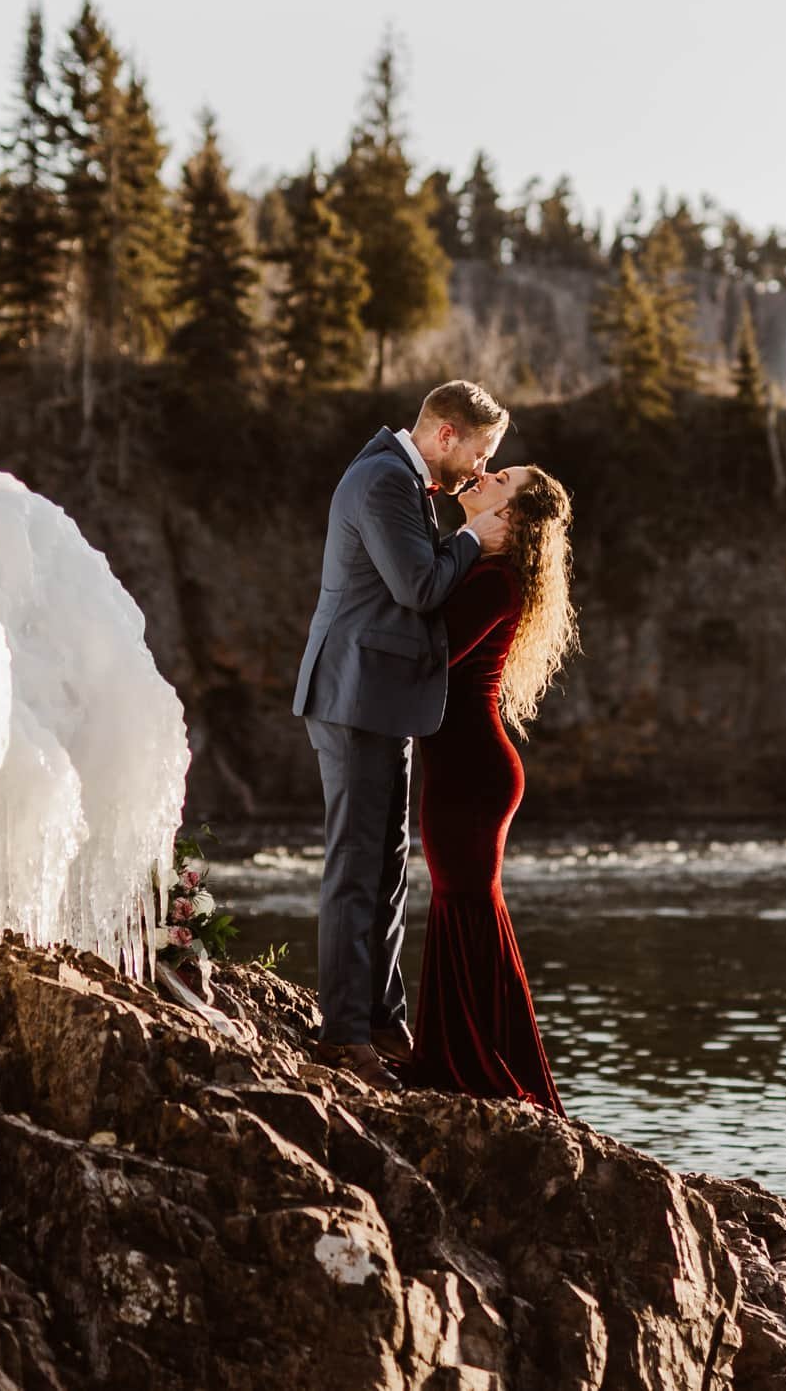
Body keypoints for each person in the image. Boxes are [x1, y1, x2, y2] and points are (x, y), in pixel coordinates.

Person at [293, 381, 511, 1090]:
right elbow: (419, 585)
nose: (479, 470)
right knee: (355, 867)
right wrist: (476, 538)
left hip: (384, 699)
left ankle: (383, 1019)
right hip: (354, 696)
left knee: (386, 867)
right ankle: (342, 1034)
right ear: (446, 434)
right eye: (479, 452)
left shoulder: (401, 480)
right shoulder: (384, 480)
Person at [396, 464, 577, 1115]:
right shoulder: (483, 570)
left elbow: (431, 654)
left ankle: (472, 1064)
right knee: (462, 906)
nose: (484, 473)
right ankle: (462, 1056)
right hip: (465, 766)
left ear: (517, 515)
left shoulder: (498, 582)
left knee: (464, 906)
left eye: (501, 475)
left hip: (472, 771)